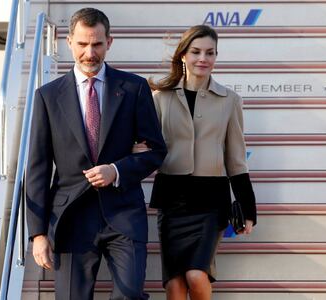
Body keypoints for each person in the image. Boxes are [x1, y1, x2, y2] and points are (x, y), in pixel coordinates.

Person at [25, 7, 167, 300]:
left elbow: (156, 151)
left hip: (124, 214)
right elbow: (37, 167)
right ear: (69, 42)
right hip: (70, 218)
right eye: (82, 44)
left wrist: (116, 170)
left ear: (109, 42)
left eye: (97, 44)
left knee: (129, 296)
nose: (90, 53)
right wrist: (38, 234)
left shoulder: (134, 88)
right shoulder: (47, 96)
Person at [135, 25, 257, 300]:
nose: (203, 58)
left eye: (210, 53)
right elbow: (143, 145)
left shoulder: (230, 100)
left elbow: (236, 158)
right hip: (172, 200)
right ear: (183, 56)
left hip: (210, 202)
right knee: (174, 285)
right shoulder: (160, 98)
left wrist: (247, 207)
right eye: (196, 52)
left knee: (196, 275)